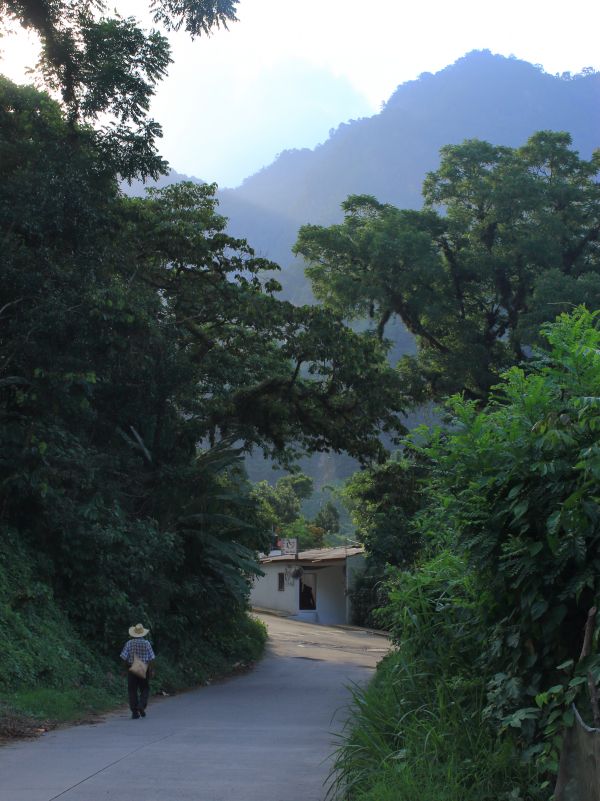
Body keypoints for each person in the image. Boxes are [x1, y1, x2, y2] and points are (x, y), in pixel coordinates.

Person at [120, 623, 156, 719]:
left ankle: (134, 712)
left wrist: (124, 670)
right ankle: (141, 705)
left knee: (132, 690)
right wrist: (151, 670)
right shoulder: (147, 643)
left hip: (132, 668)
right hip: (144, 668)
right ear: (143, 634)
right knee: (145, 688)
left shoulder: (129, 643)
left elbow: (124, 657)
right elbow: (151, 658)